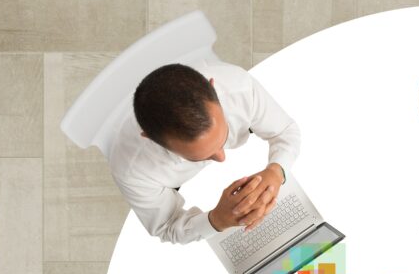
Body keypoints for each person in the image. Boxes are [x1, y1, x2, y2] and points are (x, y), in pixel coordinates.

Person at [106, 61, 301, 244]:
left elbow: (286, 131)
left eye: (223, 137)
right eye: (200, 156)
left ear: (213, 87)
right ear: (150, 138)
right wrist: (216, 220)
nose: (222, 158)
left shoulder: (239, 88)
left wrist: (277, 170)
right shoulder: (131, 169)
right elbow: (165, 226)